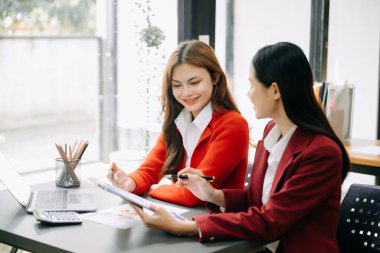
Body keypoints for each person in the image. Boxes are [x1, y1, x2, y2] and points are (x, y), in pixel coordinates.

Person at [130, 42, 350, 253]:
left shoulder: (322, 153)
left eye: (252, 84)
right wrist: (214, 194)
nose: (248, 93)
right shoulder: (272, 133)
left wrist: (186, 227)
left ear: (274, 90)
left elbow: (269, 220)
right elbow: (258, 202)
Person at [108, 40, 249, 207]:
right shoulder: (179, 122)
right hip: (182, 217)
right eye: (177, 85)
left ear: (215, 77)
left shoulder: (233, 125)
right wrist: (129, 183)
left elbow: (194, 194)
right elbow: (149, 170)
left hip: (214, 226)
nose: (186, 92)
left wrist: (155, 188)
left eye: (194, 82)